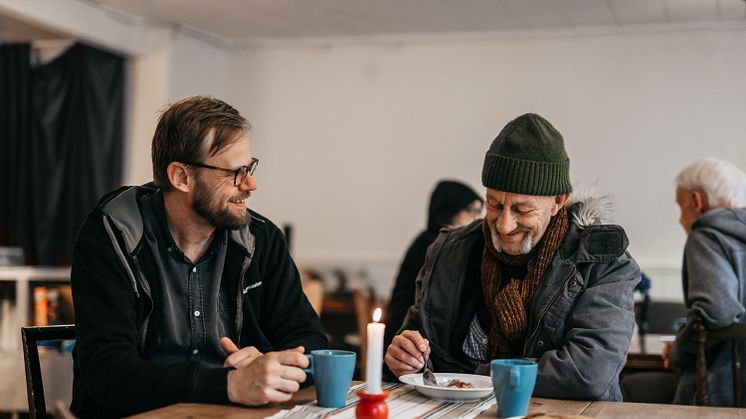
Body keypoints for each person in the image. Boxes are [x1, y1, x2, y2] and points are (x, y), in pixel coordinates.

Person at [70, 96, 327, 417]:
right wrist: (229, 384)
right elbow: (107, 372)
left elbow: (311, 339)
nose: (251, 184)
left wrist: (272, 364)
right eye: (234, 172)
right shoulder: (110, 236)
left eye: (249, 168)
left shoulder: (262, 238)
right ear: (181, 177)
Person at [384, 113, 640, 401]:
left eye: (522, 210)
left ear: (558, 201)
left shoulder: (601, 264)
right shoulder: (448, 252)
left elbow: (587, 372)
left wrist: (470, 379)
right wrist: (406, 357)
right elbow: (419, 344)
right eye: (494, 205)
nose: (504, 225)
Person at [622, 158, 746, 405]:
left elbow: (715, 313)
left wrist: (679, 349)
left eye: (681, 207)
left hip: (721, 389)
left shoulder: (707, 236)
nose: (680, 220)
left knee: (627, 386)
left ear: (697, 202)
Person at [384, 180, 483, 350]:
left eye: (478, 211)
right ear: (448, 210)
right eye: (468, 210)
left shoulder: (428, 240)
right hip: (405, 338)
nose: (475, 218)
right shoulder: (434, 247)